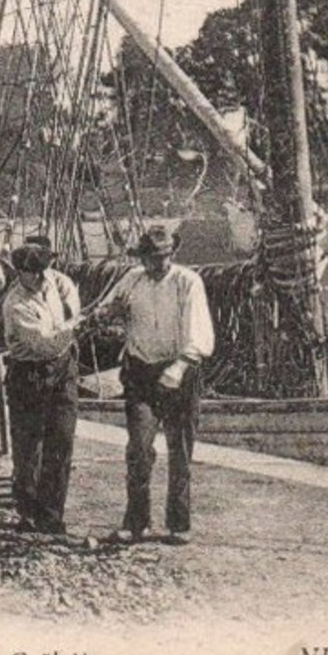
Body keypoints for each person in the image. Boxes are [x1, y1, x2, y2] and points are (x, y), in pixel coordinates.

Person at [101, 226, 214, 545]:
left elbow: (199, 335)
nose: (155, 264)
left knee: (179, 451)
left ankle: (179, 523)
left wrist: (179, 367)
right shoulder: (132, 279)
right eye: (149, 258)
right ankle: (137, 522)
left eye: (161, 258)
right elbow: (108, 307)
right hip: (140, 372)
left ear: (171, 255)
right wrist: (106, 313)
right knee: (138, 448)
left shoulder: (188, 283)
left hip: (180, 370)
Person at [0, 239, 83, 535]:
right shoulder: (16, 304)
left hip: (63, 370)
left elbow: (71, 310)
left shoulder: (57, 284)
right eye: (30, 272)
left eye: (42, 270)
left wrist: (75, 323)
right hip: (29, 374)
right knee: (27, 448)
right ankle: (27, 511)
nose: (38, 277)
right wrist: (78, 326)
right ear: (19, 272)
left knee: (61, 441)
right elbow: (45, 343)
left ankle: (51, 515)